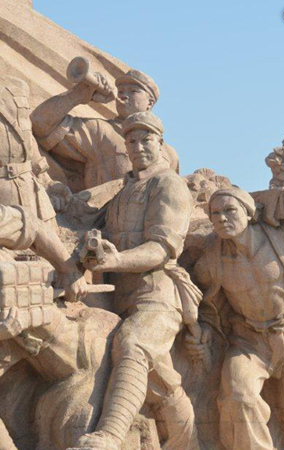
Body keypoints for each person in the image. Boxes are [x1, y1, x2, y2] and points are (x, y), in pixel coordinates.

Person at [72, 111, 199, 450]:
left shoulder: (168, 184)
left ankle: (109, 436)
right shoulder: (124, 189)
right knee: (162, 380)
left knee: (133, 344)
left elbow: (160, 249)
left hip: (156, 291)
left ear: (160, 142)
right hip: (115, 292)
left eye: (146, 139)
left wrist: (116, 259)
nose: (138, 146)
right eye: (131, 141)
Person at [188, 185, 284, 450]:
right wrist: (201, 327)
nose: (221, 218)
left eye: (229, 210)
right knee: (238, 396)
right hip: (249, 339)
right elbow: (204, 304)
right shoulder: (212, 259)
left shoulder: (279, 236)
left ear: (249, 213)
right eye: (215, 214)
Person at [31, 69, 179, 191]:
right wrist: (79, 94)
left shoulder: (170, 154)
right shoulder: (100, 130)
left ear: (150, 103)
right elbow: (40, 124)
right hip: (105, 219)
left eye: (133, 91)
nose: (123, 95)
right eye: (121, 91)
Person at [0, 77, 59, 224]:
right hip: (5, 196)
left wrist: (47, 180)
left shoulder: (16, 85)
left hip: (32, 188)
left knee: (51, 236)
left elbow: (26, 134)